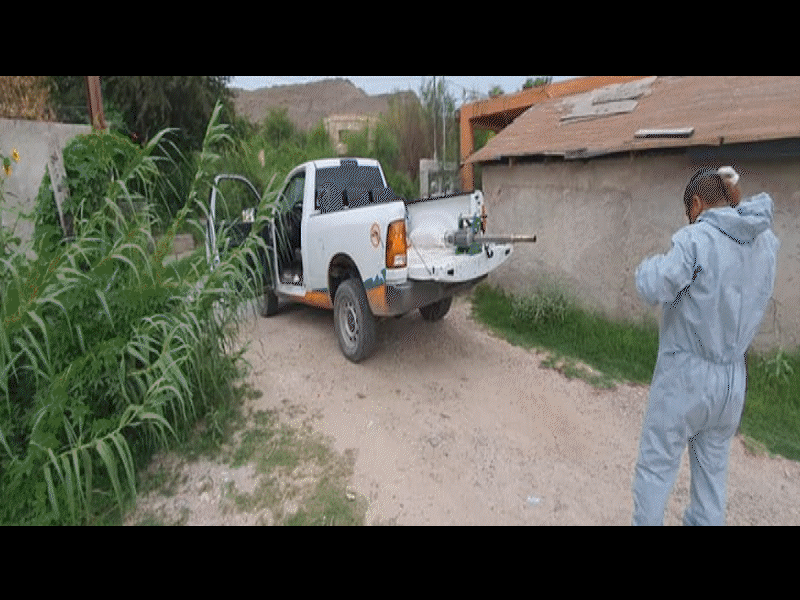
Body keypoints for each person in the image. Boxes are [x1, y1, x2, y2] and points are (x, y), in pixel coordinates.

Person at [631, 166, 780, 526]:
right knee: (712, 478)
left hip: (686, 375)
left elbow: (656, 285)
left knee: (656, 467)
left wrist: (646, 268)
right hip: (731, 380)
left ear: (696, 204)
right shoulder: (765, 243)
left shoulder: (696, 240)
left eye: (690, 213)